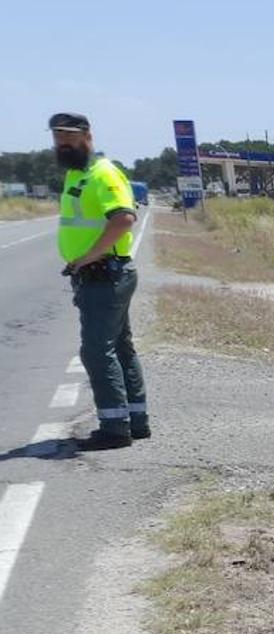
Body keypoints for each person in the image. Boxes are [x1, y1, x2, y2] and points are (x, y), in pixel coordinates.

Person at [51, 112, 150, 450]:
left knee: (96, 350)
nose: (62, 143)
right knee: (120, 347)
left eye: (69, 136)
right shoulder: (76, 175)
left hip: (104, 274)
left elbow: (123, 218)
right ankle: (136, 420)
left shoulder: (102, 173)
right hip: (99, 274)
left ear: (87, 136)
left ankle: (114, 428)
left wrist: (89, 257)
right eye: (57, 136)